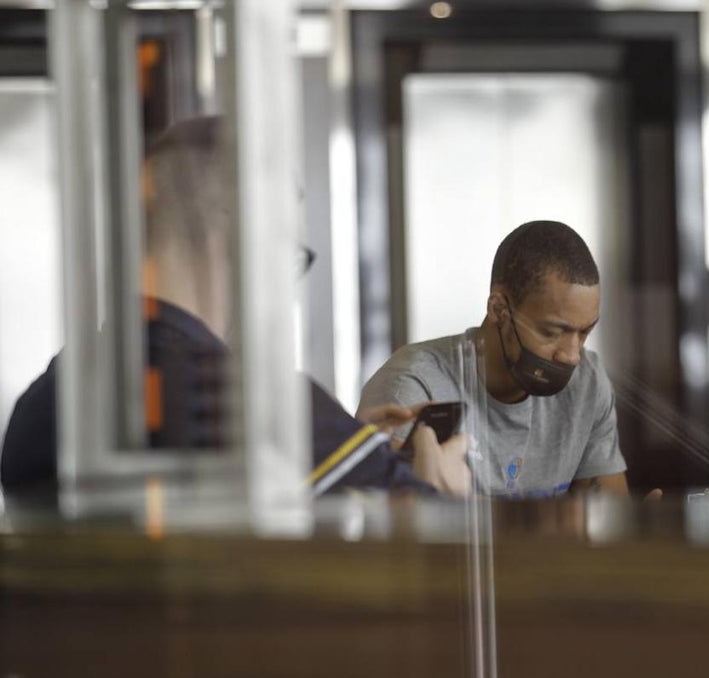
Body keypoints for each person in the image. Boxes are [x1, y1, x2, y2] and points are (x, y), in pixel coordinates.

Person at [0, 116, 469, 497]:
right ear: (240, 228)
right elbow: (425, 573)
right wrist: (436, 493)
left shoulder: (50, 398)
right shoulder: (265, 408)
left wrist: (342, 448)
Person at [358, 221, 628, 497]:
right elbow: (387, 531)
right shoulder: (413, 385)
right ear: (499, 308)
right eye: (551, 332)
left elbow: (609, 525)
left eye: (584, 332)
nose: (571, 356)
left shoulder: (587, 382)